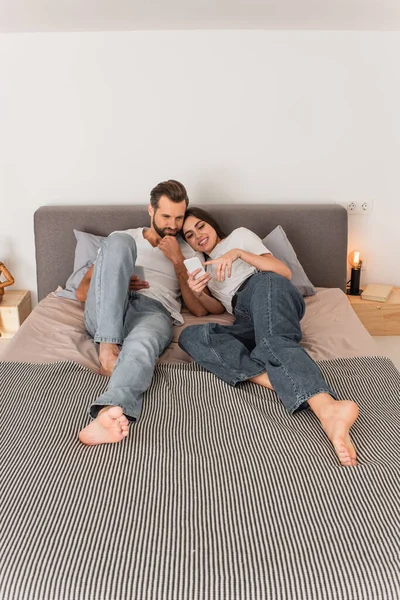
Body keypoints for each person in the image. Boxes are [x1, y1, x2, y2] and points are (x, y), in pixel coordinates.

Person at [178, 207, 359, 467]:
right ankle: (281, 378)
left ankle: (327, 407)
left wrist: (239, 254)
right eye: (190, 235)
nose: (198, 235)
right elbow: (218, 309)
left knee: (273, 340)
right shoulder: (205, 266)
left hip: (267, 287)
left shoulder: (238, 238)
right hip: (244, 314)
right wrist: (198, 293)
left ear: (213, 226)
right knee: (193, 336)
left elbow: (282, 272)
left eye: (201, 226)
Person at [77, 181, 208, 446]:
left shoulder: (190, 251)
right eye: (166, 216)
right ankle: (108, 346)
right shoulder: (122, 239)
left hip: (153, 312)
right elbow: (82, 293)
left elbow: (197, 308)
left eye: (179, 217)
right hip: (107, 310)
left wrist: (177, 261)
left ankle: (107, 412)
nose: (173, 224)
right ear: (151, 210)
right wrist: (119, 283)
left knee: (142, 346)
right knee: (119, 241)